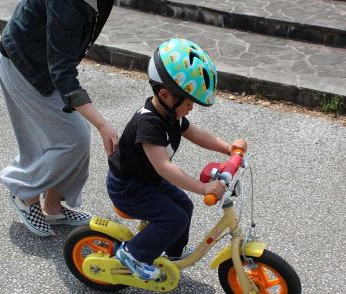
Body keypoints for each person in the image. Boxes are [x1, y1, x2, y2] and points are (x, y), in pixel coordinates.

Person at [106, 38, 248, 280]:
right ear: (165, 95)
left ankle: (173, 253)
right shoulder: (148, 124)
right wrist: (203, 187)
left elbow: (195, 134)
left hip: (146, 181)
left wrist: (227, 147)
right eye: (190, 102)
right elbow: (164, 168)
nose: (191, 108)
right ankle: (134, 254)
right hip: (129, 188)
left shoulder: (171, 115)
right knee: (175, 218)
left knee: (185, 206)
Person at [0, 0, 118, 237]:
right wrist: (103, 124)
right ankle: (24, 193)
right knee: (73, 140)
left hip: (48, 65)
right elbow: (63, 72)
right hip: (23, 64)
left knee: (74, 138)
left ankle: (52, 208)